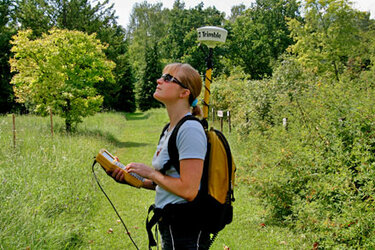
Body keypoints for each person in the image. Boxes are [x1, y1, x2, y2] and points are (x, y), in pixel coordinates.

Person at [109, 63, 210, 249]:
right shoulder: (170, 129)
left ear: (184, 92)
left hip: (186, 230)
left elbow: (188, 190)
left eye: (168, 78)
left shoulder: (190, 129)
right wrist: (133, 180)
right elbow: (167, 183)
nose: (159, 80)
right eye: (162, 76)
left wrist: (150, 173)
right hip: (170, 224)